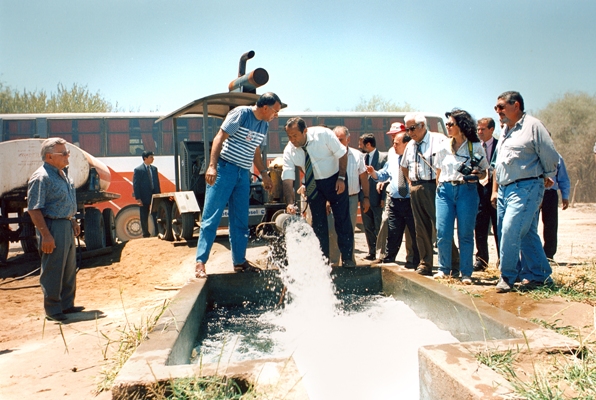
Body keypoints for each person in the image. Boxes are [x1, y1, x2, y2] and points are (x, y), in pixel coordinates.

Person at [194, 92, 280, 278]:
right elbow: (219, 137)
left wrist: (264, 174)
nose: (276, 115)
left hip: (243, 175)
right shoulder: (241, 114)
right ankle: (200, 263)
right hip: (224, 169)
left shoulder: (264, 125)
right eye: (275, 111)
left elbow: (255, 150)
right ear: (265, 107)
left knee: (240, 220)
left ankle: (239, 262)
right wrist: (212, 166)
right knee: (212, 217)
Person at [491, 91, 560, 293]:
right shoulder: (505, 130)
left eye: (501, 107)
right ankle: (541, 275)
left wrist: (548, 174)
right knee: (526, 233)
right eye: (496, 108)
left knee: (510, 230)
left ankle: (507, 276)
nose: (498, 111)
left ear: (517, 105)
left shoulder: (533, 126)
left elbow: (550, 154)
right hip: (505, 189)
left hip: (526, 187)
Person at [282, 117, 355, 266]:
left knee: (342, 220)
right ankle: (323, 262)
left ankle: (347, 259)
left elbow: (342, 154)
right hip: (314, 183)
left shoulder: (324, 135)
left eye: (295, 135)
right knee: (318, 224)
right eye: (289, 136)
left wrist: (341, 177)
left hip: (335, 178)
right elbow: (288, 179)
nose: (292, 140)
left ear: (305, 131)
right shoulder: (289, 150)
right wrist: (290, 202)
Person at [27, 138, 83, 322]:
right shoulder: (41, 177)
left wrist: (73, 220)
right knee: (53, 268)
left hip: (65, 224)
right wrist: (46, 235)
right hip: (52, 226)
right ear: (49, 156)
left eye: (67, 152)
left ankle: (67, 305)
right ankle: (53, 309)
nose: (68, 156)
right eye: (64, 153)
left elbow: (67, 202)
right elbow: (34, 209)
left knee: (68, 268)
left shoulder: (63, 174)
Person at [433, 110, 489, 284]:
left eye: (451, 124)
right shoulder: (443, 146)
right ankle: (444, 269)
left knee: (465, 234)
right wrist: (440, 188)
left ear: (462, 125)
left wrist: (476, 173)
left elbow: (484, 173)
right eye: (447, 124)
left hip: (467, 191)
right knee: (443, 232)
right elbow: (438, 171)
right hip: (445, 191)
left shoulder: (475, 146)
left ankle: (466, 273)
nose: (448, 127)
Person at [400, 113, 453, 276]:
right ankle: (425, 263)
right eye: (407, 129)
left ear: (423, 125)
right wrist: (410, 182)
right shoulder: (410, 145)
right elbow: (404, 165)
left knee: (441, 226)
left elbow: (449, 163)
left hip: (434, 186)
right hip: (416, 187)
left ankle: (453, 262)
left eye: (412, 128)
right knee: (421, 228)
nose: (410, 132)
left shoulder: (439, 140)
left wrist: (439, 183)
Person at [366, 129, 420, 266]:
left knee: (414, 233)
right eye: (393, 143)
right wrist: (374, 173)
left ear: (406, 144)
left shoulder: (415, 158)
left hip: (411, 201)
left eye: (397, 143)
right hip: (395, 202)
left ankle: (415, 261)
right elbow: (383, 174)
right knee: (393, 232)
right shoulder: (392, 159)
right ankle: (389, 258)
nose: (393, 146)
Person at [328, 126, 369, 266]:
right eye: (336, 140)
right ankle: (333, 262)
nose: (338, 142)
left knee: (349, 230)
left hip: (352, 198)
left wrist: (366, 198)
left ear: (348, 139)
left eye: (341, 140)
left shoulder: (357, 155)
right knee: (333, 230)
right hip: (334, 199)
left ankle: (349, 260)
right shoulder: (329, 156)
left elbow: (363, 178)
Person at [474, 117, 499, 271]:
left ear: (491, 129)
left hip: (495, 189)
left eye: (483, 129)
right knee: (480, 225)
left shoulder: (499, 145)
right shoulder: (475, 147)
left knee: (498, 225)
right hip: (478, 190)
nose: (480, 132)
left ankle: (502, 259)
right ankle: (481, 259)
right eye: (478, 129)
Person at [359, 133, 388, 260]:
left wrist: (383, 198)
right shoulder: (362, 158)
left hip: (377, 198)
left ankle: (380, 252)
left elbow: (386, 178)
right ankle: (371, 251)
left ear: (368, 144)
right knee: (367, 226)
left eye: (361, 144)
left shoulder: (383, 157)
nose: (359, 146)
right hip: (365, 198)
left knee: (378, 226)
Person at [541, 154, 570, 260]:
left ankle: (549, 254)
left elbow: (563, 178)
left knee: (551, 224)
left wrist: (565, 196)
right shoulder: (530, 153)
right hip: (533, 192)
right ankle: (532, 254)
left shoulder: (556, 157)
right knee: (530, 224)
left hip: (550, 193)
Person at [133, 150, 161, 238]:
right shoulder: (138, 170)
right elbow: (136, 185)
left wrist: (159, 195)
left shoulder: (154, 169)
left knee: (156, 214)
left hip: (154, 195)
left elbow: (157, 183)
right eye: (151, 157)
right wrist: (138, 198)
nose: (153, 159)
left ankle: (158, 232)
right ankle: (146, 233)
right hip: (144, 196)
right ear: (145, 158)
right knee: (144, 215)